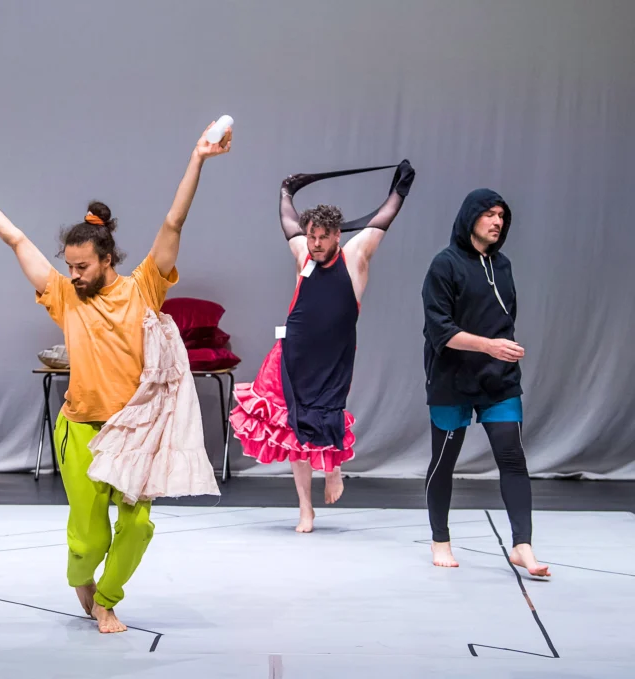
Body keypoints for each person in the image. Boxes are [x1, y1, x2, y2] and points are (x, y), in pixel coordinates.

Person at [0, 121, 232, 632]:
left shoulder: (143, 288)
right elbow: (15, 239)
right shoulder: (64, 297)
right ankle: (81, 577)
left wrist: (198, 159)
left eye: (81, 266)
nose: (73, 275)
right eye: (68, 266)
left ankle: (106, 600)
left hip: (133, 434)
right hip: (82, 432)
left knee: (137, 527)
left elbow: (174, 223)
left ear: (107, 258)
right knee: (90, 539)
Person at [230, 161, 415, 532]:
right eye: (311, 236)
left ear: (337, 237)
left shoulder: (356, 256)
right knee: (296, 428)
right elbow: (287, 223)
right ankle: (305, 508)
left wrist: (400, 188)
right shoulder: (304, 256)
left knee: (327, 419)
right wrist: (286, 191)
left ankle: (333, 470)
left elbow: (384, 217)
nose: (314, 244)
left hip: (333, 359)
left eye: (322, 238)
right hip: (291, 356)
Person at [422, 189, 549, 576]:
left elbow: (503, 319)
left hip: (499, 380)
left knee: (513, 458)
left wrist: (501, 352)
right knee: (444, 463)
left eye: (502, 216)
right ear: (470, 217)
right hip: (452, 377)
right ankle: (440, 538)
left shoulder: (504, 265)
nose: (497, 222)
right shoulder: (444, 265)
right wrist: (488, 347)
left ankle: (522, 545)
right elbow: (439, 330)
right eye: (490, 214)